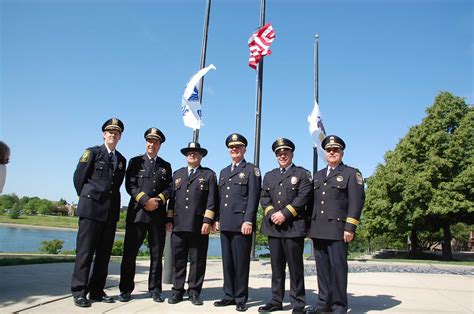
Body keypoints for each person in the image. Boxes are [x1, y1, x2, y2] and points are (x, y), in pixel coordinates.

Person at [71, 118, 127, 308]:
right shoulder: (92, 153)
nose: (112, 134)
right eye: (109, 131)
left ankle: (96, 290)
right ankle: (79, 291)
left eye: (116, 132)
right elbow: (79, 178)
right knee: (85, 252)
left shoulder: (121, 160)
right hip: (91, 210)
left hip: (110, 213)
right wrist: (89, 197)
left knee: (104, 254)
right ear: (104, 134)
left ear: (120, 137)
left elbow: (116, 185)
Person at [306, 135, 365, 314]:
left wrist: (350, 227)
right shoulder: (318, 175)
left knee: (338, 268)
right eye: (329, 150)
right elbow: (311, 203)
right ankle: (324, 303)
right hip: (318, 229)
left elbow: (357, 202)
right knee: (322, 269)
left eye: (335, 150)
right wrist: (309, 227)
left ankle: (339, 306)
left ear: (341, 152)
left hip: (338, 230)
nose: (332, 152)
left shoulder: (351, 173)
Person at [118, 127, 172, 303]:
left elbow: (169, 188)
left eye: (155, 142)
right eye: (149, 141)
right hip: (137, 214)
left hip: (157, 216)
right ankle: (126, 289)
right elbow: (130, 185)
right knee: (130, 254)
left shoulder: (166, 166)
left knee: (156, 255)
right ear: (146, 142)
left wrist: (158, 200)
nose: (152, 144)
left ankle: (155, 289)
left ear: (160, 145)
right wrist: (145, 200)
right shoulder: (135, 162)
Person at [259, 138, 313, 314]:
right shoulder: (269, 175)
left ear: (292, 154)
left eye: (286, 152)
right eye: (279, 153)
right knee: (276, 267)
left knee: (295, 268)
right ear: (276, 156)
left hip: (293, 228)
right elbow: (264, 198)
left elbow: (303, 197)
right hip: (274, 227)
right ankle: (276, 300)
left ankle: (298, 304)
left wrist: (284, 214)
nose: (282, 156)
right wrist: (272, 213)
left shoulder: (302, 174)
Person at [213, 133, 261, 312]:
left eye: (238, 147)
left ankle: (240, 297)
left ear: (244, 149)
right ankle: (228, 295)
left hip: (242, 224)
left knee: (241, 263)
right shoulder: (224, 172)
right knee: (227, 262)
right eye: (232, 147)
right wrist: (217, 219)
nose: (234, 149)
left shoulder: (251, 170)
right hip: (225, 222)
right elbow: (220, 198)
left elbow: (253, 197)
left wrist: (248, 220)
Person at [166, 142, 218, 306]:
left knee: (197, 261)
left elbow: (212, 200)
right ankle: (177, 291)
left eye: (196, 152)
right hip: (179, 224)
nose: (192, 154)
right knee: (178, 260)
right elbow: (172, 201)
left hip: (198, 225)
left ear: (201, 156)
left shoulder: (208, 175)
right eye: (189, 152)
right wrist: (169, 220)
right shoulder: (178, 174)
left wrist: (207, 221)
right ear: (186, 155)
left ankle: (194, 292)